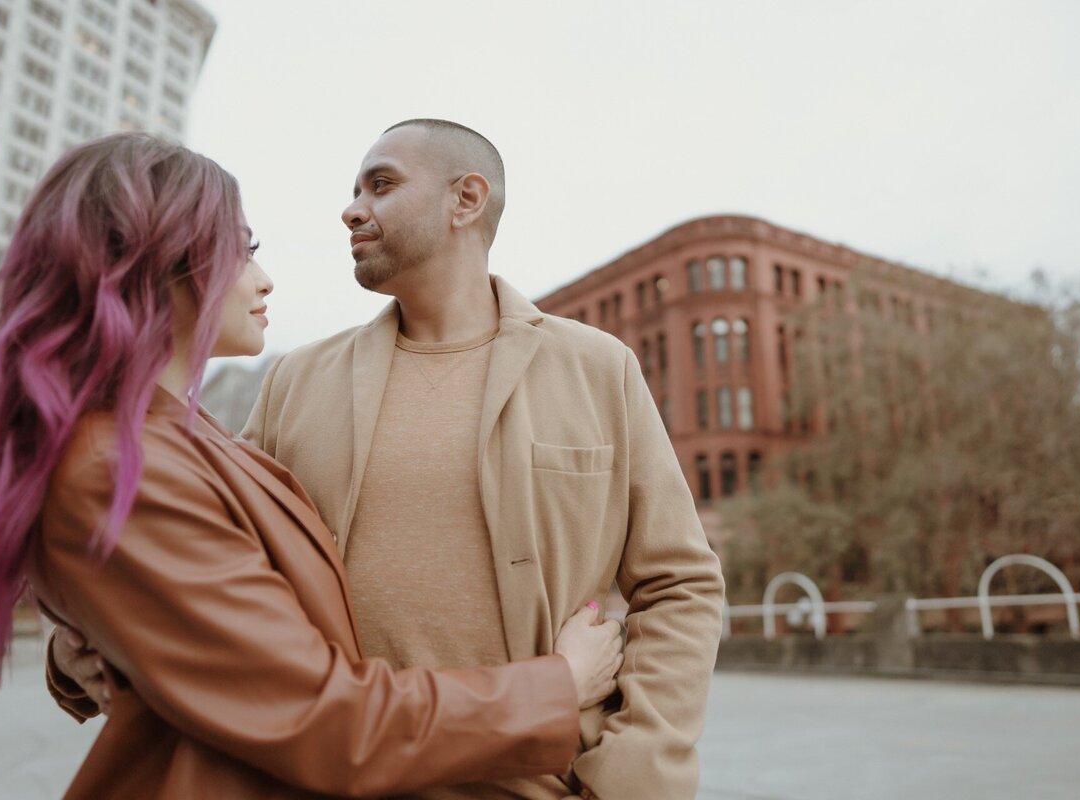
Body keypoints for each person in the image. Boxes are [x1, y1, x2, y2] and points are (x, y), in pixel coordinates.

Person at [0, 133, 627, 799]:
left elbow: (224, 605)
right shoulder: (115, 463)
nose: (266, 278)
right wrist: (558, 686)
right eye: (243, 250)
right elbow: (320, 716)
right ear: (157, 259)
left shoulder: (187, 435)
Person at [54, 120, 726, 798]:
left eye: (381, 185)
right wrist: (86, 640)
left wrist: (633, 779)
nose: (350, 208)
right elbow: (204, 565)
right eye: (352, 191)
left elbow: (679, 586)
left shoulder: (597, 368)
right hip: (328, 778)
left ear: (467, 200)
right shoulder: (296, 379)